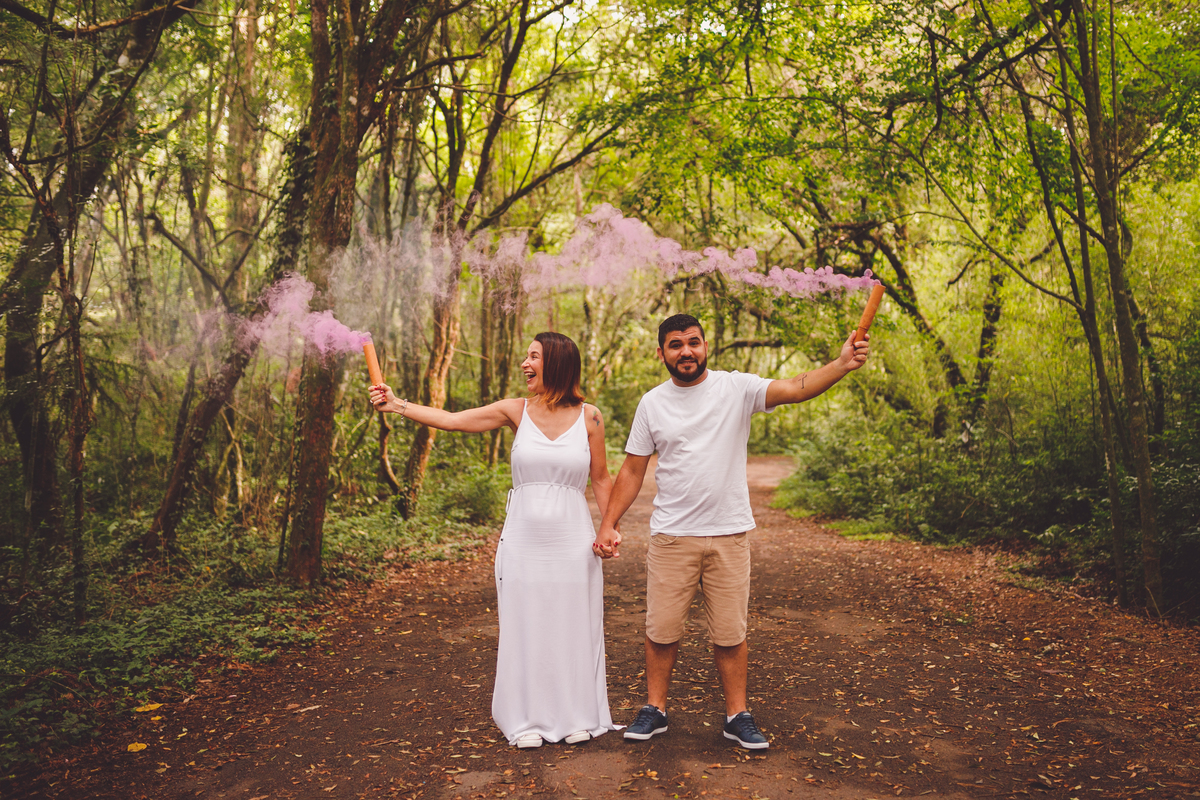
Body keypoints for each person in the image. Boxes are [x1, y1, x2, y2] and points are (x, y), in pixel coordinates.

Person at [592, 313, 870, 750]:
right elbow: (631, 470)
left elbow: (795, 387)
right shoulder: (652, 403)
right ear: (661, 353)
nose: (686, 351)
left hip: (729, 534)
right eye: (676, 345)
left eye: (693, 342)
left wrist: (840, 365)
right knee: (661, 629)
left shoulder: (736, 388)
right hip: (672, 536)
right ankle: (655, 709)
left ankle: (737, 715)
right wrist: (609, 522)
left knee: (730, 632)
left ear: (706, 346)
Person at [370, 332, 620, 749]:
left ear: (557, 362)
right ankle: (526, 719)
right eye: (526, 355)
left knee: (573, 622)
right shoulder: (515, 410)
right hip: (522, 537)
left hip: (572, 537)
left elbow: (601, 477)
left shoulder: (590, 417)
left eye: (534, 356)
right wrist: (397, 404)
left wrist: (608, 526)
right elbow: (452, 419)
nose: (525, 363)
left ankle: (575, 714)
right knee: (525, 623)